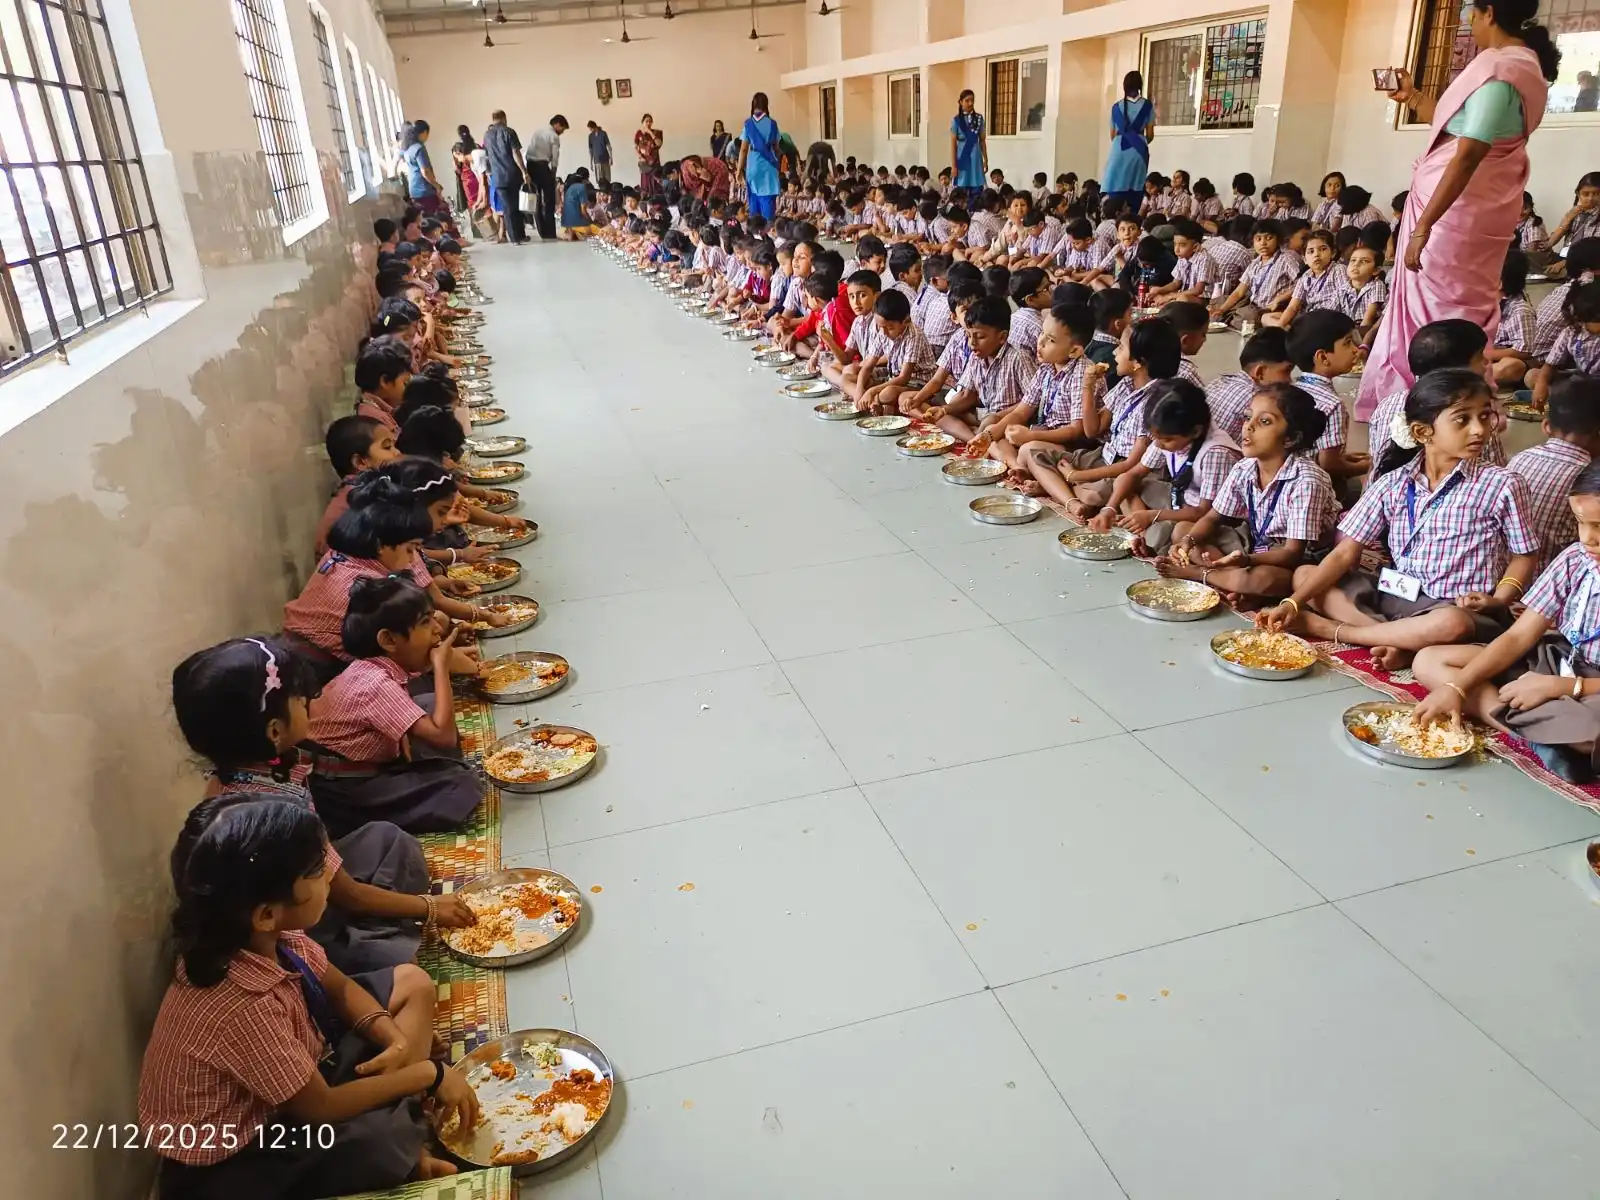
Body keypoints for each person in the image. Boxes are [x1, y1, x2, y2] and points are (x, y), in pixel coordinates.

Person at [137, 798, 479, 1199]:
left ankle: (401, 1119)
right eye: (317, 872)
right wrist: (427, 1073)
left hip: (300, 1071)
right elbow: (320, 1108)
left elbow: (340, 988)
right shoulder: (240, 1005)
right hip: (238, 1154)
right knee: (376, 1141)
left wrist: (393, 1038)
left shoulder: (273, 935)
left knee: (413, 984)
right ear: (266, 913)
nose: (330, 879)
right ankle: (404, 1138)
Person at [170, 636, 474, 975]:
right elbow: (348, 895)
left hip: (311, 883)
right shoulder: (273, 809)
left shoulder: (248, 769)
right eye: (299, 700)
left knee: (389, 839)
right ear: (274, 730)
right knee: (395, 962)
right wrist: (429, 907)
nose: (309, 703)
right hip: (300, 923)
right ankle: (372, 935)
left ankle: (380, 925)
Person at [1258, 368, 1539, 669]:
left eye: (1485, 417)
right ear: (1422, 432)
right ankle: (1397, 640)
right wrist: (1293, 602)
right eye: (1463, 419)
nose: (1479, 430)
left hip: (1458, 608)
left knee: (1450, 623)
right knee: (1304, 576)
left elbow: (1524, 556)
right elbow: (1344, 554)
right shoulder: (1392, 483)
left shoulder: (1503, 484)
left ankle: (1338, 631)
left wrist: (1499, 599)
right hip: (1396, 595)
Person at [1359, 0, 1560, 419]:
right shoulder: (1516, 68)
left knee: (1442, 307)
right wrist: (1412, 96)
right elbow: (1459, 130)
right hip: (1471, 204)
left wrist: (1421, 228)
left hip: (1455, 215)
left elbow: (1468, 153)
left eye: (1471, 11)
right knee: (1445, 303)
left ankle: (1437, 401)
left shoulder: (1502, 72)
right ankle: (1435, 398)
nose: (1468, 20)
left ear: (1488, 12)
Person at [1413, 428, 1600, 781]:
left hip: (1589, 687)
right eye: (1580, 522)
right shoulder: (1576, 559)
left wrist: (1564, 688)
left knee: (1593, 731)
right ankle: (1545, 736)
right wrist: (1456, 687)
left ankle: (1541, 730)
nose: (1588, 538)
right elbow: (1518, 637)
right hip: (1560, 659)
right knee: (1431, 660)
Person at [306, 576, 483, 838]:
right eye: (425, 623)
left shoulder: (376, 665)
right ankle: (364, 821)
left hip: (356, 769)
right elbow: (443, 737)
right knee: (460, 785)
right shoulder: (375, 683)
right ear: (388, 640)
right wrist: (441, 668)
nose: (437, 629)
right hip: (346, 788)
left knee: (430, 704)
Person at [1156, 382, 1338, 602]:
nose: (1248, 427)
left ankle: (1202, 574)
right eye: (1247, 417)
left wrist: (1247, 560)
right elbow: (1213, 517)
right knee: (1184, 530)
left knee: (1261, 579)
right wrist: (1188, 541)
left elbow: (1292, 554)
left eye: (1264, 422)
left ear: (1291, 438)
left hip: (1297, 559)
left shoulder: (1307, 481)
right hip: (1254, 544)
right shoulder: (1245, 467)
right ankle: (1232, 581)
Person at [1505, 377, 1600, 570]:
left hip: (1506, 576)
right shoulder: (1587, 481)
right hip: (1547, 580)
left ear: (1546, 426)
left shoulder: (1519, 458)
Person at [1103, 71, 1155, 214]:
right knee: (1136, 188)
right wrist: (1139, 140)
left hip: (1119, 149)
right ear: (1140, 85)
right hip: (1139, 152)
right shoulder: (1148, 106)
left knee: (1115, 187)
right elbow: (1150, 135)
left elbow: (1113, 135)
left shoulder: (1116, 107)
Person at [482, 110, 529, 244]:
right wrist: (524, 172)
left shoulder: (487, 135)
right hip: (512, 174)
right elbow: (516, 153)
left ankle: (517, 237)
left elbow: (487, 157)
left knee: (508, 207)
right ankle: (517, 237)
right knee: (516, 205)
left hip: (498, 177)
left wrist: (489, 175)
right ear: (504, 118)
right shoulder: (509, 132)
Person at [737, 93, 782, 222]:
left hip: (754, 167)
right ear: (766, 105)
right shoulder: (773, 124)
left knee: (754, 200)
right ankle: (768, 231)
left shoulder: (748, 124)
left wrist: (739, 170)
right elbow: (777, 148)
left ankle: (755, 232)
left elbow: (744, 149)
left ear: (753, 105)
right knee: (767, 200)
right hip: (769, 168)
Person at [524, 114, 568, 242]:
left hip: (531, 165)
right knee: (549, 199)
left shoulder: (538, 131)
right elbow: (555, 158)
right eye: (562, 129)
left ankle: (542, 232)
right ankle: (549, 233)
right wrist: (553, 174)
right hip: (542, 166)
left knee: (536, 199)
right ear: (557, 124)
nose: (562, 132)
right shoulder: (553, 136)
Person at [399, 121, 443, 214]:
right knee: (432, 219)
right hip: (424, 190)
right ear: (424, 132)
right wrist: (436, 186)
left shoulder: (407, 147)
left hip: (414, 190)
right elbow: (425, 172)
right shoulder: (419, 148)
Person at [950, 89, 987, 191]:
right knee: (962, 188)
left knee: (977, 187)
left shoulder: (979, 118)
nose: (970, 103)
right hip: (962, 157)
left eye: (972, 100)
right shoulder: (956, 120)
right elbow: (953, 145)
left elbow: (982, 141)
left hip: (976, 157)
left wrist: (986, 160)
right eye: (967, 100)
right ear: (961, 102)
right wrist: (954, 166)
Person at [449, 125, 478, 214]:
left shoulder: (457, 149)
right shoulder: (475, 146)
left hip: (467, 181)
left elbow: (456, 169)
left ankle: (475, 225)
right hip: (477, 179)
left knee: (472, 205)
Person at [635, 114, 664, 195]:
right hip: (644, 163)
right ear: (642, 122)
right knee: (645, 182)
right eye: (646, 121)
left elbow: (659, 144)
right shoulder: (639, 133)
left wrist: (650, 133)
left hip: (654, 162)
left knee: (655, 180)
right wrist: (640, 156)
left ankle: (655, 199)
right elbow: (635, 146)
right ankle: (646, 198)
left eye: (650, 121)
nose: (648, 123)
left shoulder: (657, 133)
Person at [586, 119, 612, 188]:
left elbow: (608, 146)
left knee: (607, 179)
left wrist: (611, 157)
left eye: (591, 128)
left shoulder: (603, 133)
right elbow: (590, 150)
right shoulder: (590, 136)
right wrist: (591, 162)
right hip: (597, 160)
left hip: (605, 159)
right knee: (599, 180)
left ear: (594, 127)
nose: (590, 130)